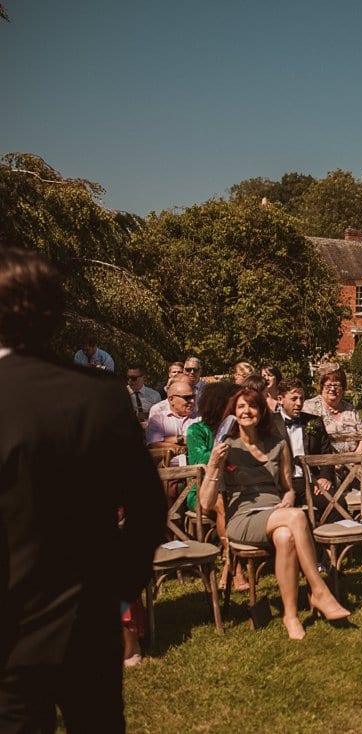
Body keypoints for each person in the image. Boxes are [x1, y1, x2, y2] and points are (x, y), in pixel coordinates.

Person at [0, 247, 165, 729]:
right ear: (54, 317)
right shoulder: (98, 396)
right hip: (88, 622)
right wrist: (114, 591)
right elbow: (148, 507)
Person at [199, 388, 350, 640]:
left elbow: (288, 488)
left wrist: (289, 498)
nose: (247, 411)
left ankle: (290, 616)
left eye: (253, 406)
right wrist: (214, 463)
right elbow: (205, 502)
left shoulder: (277, 443)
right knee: (296, 517)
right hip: (243, 517)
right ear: (234, 413)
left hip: (276, 511)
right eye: (241, 407)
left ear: (262, 411)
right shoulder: (226, 445)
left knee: (285, 537)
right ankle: (318, 590)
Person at [185, 381, 246, 590]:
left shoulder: (238, 428)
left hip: (236, 486)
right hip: (203, 491)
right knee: (222, 502)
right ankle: (234, 567)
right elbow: (198, 461)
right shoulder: (196, 430)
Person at [273, 378, 337, 508]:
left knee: (336, 505)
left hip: (311, 481)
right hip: (281, 484)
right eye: (294, 399)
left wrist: (324, 477)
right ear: (280, 399)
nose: (299, 403)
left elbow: (326, 454)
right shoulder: (269, 424)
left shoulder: (314, 422)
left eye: (302, 398)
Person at [303, 364, 362, 454]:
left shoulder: (350, 409)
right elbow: (308, 442)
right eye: (328, 385)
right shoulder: (310, 407)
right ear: (322, 387)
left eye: (337, 385)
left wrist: (355, 459)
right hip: (324, 462)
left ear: (343, 388)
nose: (332, 389)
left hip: (354, 461)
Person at [146, 378, 199, 460]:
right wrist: (182, 442)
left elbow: (203, 442)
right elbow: (154, 444)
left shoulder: (200, 417)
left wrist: (167, 440)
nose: (192, 401)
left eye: (193, 397)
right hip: (168, 467)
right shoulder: (158, 419)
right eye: (187, 397)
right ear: (171, 400)